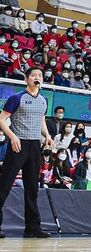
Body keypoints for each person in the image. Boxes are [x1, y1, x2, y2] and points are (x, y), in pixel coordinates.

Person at [0, 67, 54, 238]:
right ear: (27, 79)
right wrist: (12, 136)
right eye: (34, 75)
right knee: (5, 186)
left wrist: (47, 136)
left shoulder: (44, 100)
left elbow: (41, 121)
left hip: (34, 146)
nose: (37, 78)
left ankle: (32, 227)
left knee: (32, 188)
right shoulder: (17, 98)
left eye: (40, 75)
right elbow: (1, 119)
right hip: (18, 145)